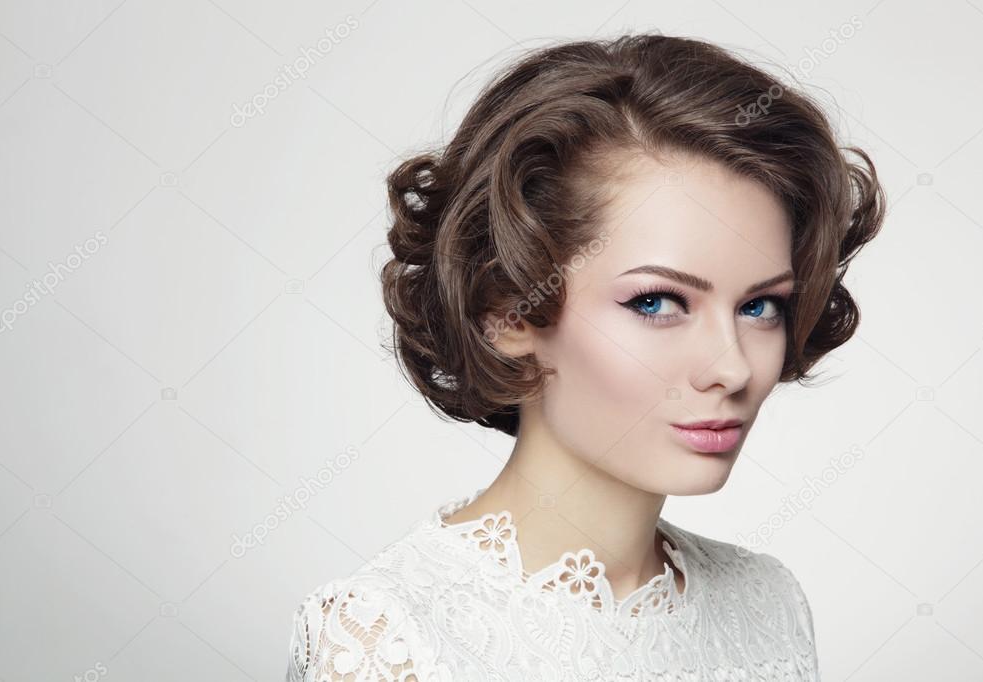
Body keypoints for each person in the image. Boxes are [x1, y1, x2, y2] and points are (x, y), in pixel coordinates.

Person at [286, 32, 885, 681]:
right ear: (505, 310)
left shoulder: (766, 603)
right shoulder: (384, 635)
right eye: (656, 302)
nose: (733, 368)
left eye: (759, 307)